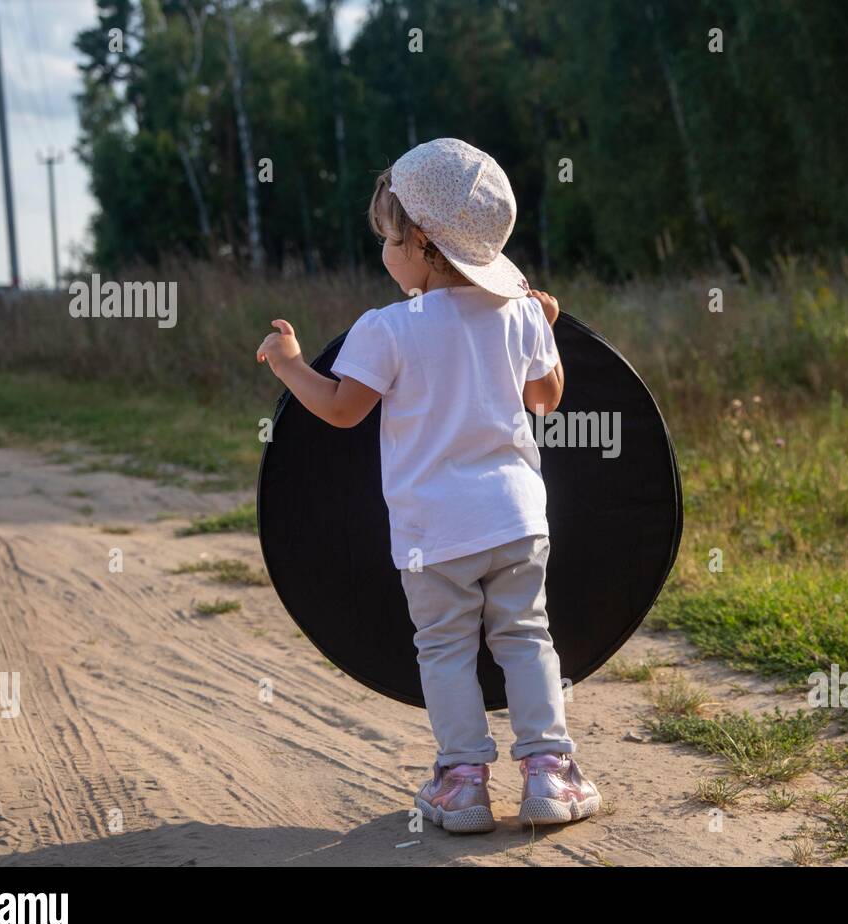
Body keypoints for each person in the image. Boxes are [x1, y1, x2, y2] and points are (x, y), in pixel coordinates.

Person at [255, 138, 600, 833]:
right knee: (527, 638)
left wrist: (289, 366)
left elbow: (344, 410)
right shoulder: (520, 313)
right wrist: (545, 327)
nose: (384, 253)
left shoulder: (389, 328)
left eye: (386, 238)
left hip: (431, 535)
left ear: (418, 242)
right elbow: (547, 398)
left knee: (443, 649)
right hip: (516, 519)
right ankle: (549, 773)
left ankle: (463, 784)